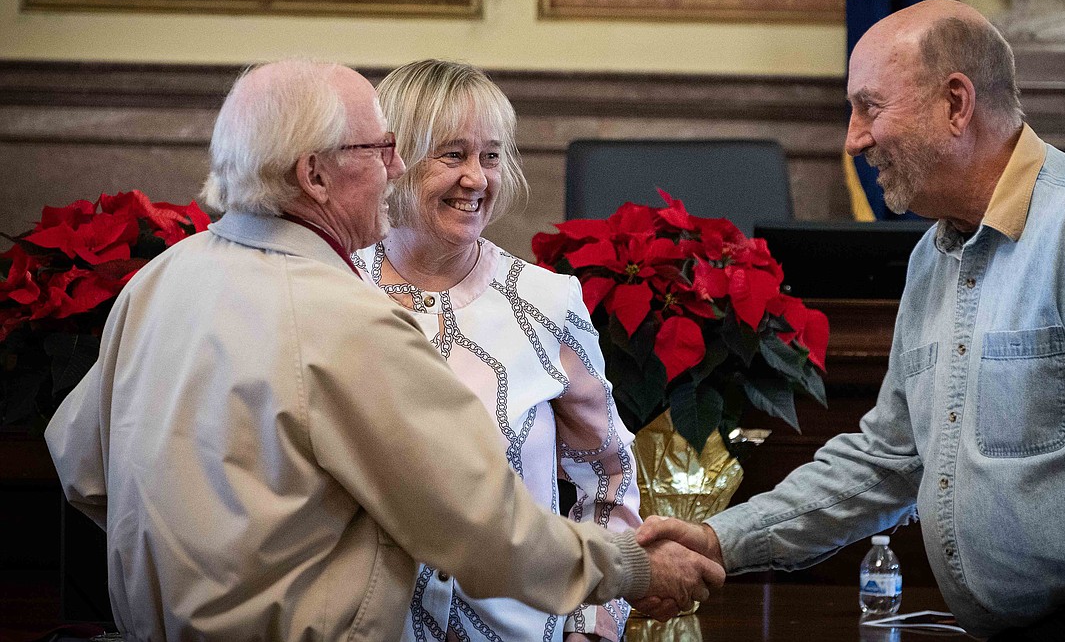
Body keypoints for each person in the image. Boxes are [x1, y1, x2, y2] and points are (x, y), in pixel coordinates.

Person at [43, 59, 723, 641]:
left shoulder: (164, 277)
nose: (395, 168)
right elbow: (481, 529)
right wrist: (632, 568)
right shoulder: (346, 314)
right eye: (381, 151)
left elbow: (83, 467)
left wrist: (197, 560)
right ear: (314, 174)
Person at [637, 0, 1065, 641]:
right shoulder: (932, 258)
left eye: (871, 107)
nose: (854, 139)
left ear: (955, 104)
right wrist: (718, 539)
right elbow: (887, 460)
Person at [350, 58, 642, 642]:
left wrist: (591, 626)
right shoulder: (332, 290)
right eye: (453, 155)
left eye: (492, 156)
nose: (478, 178)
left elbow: (608, 477)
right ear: (395, 159)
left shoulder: (547, 301)